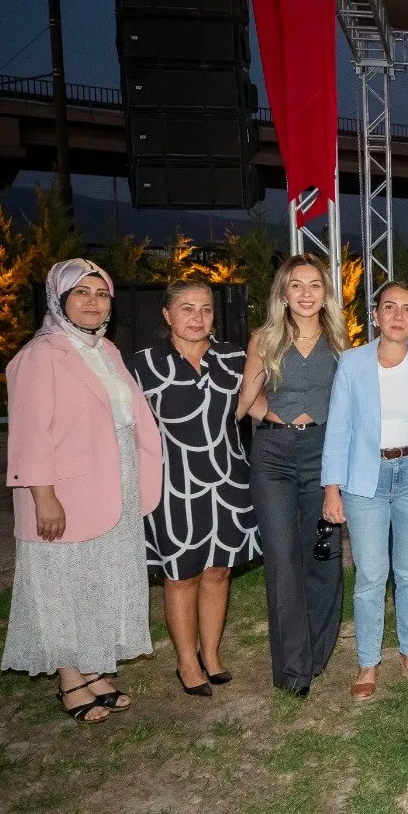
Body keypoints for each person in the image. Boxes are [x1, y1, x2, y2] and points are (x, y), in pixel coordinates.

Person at [2, 259, 163, 723]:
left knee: (102, 579)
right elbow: (31, 433)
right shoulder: (41, 355)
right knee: (63, 583)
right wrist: (43, 496)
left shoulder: (107, 351)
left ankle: (95, 669)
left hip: (116, 485)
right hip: (66, 491)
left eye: (101, 294)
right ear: (59, 299)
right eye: (82, 293)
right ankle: (70, 678)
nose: (93, 302)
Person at [322, 280, 408, 700]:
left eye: (407, 309)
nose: (399, 316)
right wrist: (332, 489)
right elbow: (339, 428)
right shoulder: (352, 363)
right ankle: (368, 661)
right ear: (375, 314)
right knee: (371, 573)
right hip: (366, 477)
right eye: (390, 308)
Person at [130, 280, 260, 697]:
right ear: (167, 315)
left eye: (205, 309)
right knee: (181, 574)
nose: (197, 318)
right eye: (186, 309)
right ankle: (187, 661)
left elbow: (253, 404)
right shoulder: (141, 365)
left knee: (219, 570)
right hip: (173, 482)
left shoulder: (233, 358)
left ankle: (212, 654)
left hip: (228, 477)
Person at [238, 255, 349, 697]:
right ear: (283, 293)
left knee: (322, 558)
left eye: (315, 286)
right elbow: (249, 394)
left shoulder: (341, 342)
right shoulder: (265, 339)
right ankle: (294, 668)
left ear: (325, 293)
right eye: (296, 286)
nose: (306, 294)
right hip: (274, 457)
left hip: (323, 454)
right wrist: (265, 418)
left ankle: (317, 650)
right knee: (283, 561)